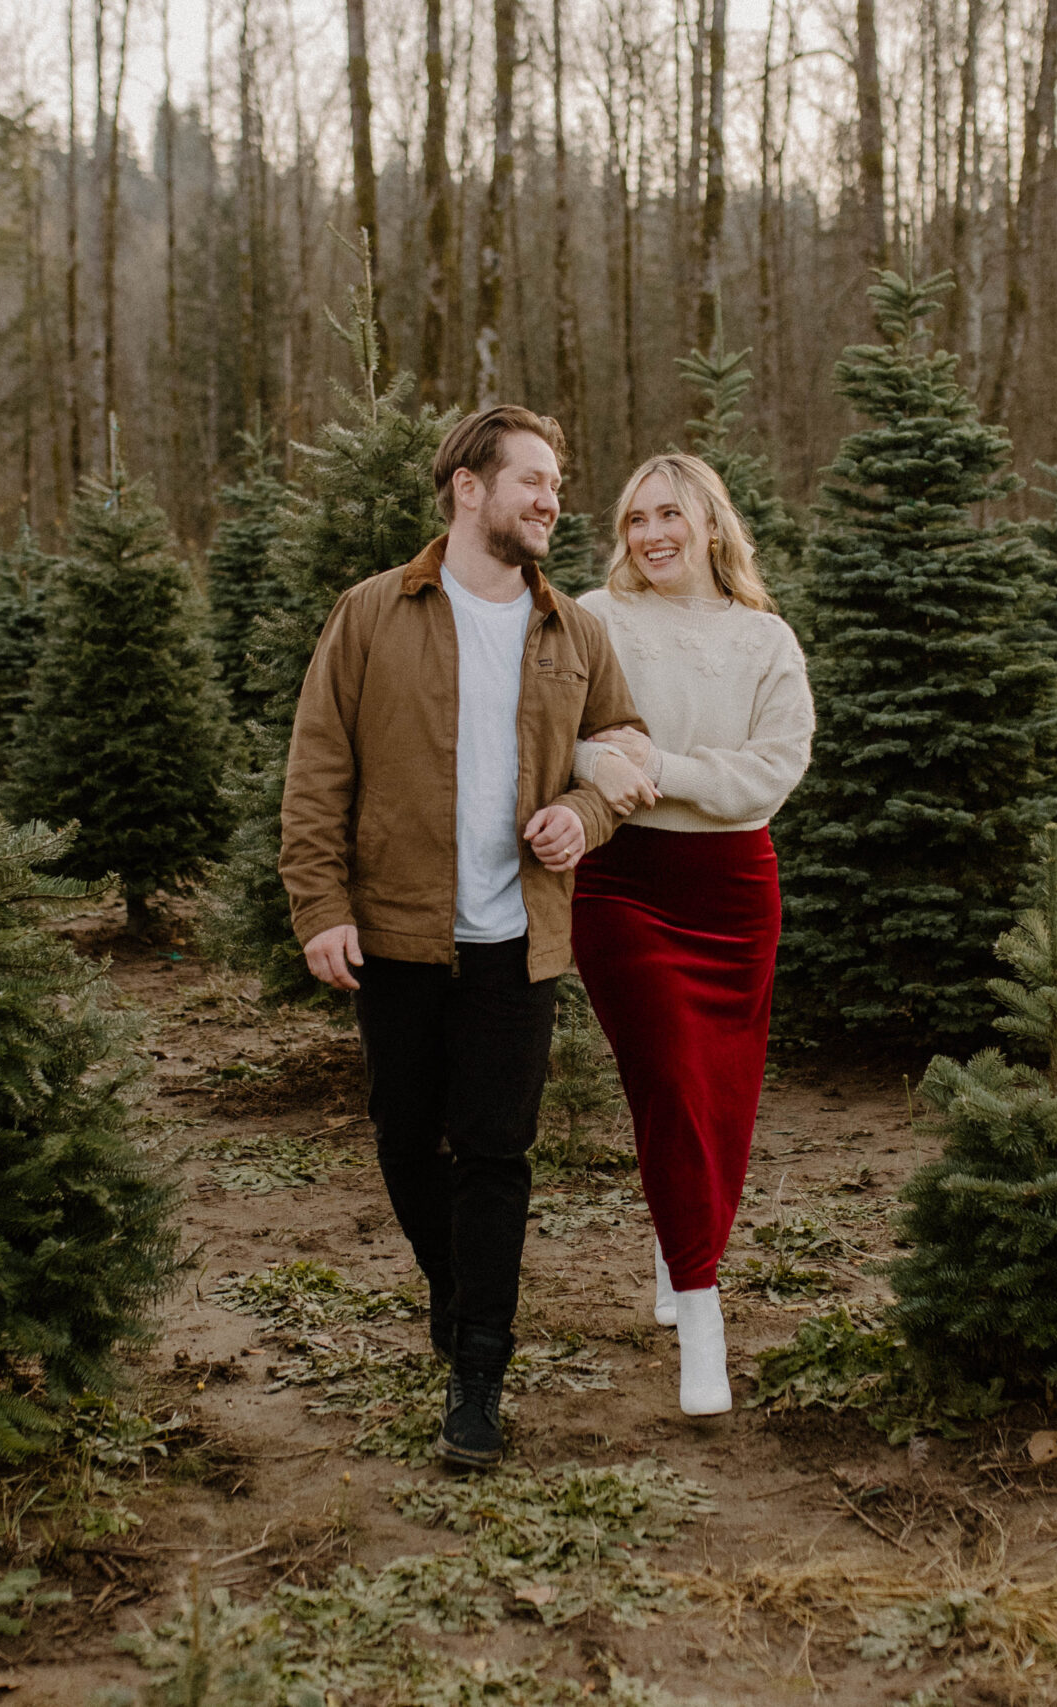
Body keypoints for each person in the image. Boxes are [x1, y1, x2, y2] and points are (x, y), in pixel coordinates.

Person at [279, 404, 645, 1472]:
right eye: (532, 480)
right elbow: (317, 772)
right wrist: (320, 905)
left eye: (557, 485)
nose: (551, 500)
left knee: (496, 1153)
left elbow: (625, 748)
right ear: (468, 489)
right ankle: (454, 1290)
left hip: (517, 943)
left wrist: (587, 809)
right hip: (395, 929)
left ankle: (478, 1371)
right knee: (404, 1138)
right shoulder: (371, 614)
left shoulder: (572, 630)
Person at [568, 453, 816, 1416]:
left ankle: (678, 1251)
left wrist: (660, 764)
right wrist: (597, 755)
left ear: (711, 525)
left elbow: (772, 770)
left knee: (720, 1095)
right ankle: (704, 1314)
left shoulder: (765, 639)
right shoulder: (595, 618)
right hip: (623, 882)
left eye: (669, 514)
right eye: (635, 519)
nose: (651, 535)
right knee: (668, 1076)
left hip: (732, 888)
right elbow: (550, 727)